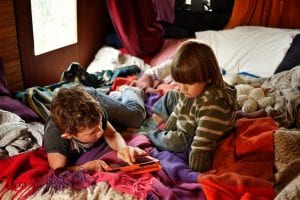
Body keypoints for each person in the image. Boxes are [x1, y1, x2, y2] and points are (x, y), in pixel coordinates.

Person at [145, 39, 238, 172]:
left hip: (198, 134)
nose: (183, 88)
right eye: (179, 81)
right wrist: (168, 129)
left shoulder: (213, 106)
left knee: (174, 141)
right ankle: (151, 125)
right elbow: (178, 110)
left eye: (189, 83)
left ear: (209, 78)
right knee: (171, 96)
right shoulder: (189, 90)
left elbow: (201, 145)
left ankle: (150, 134)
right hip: (193, 115)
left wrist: (196, 174)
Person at [43, 85, 147, 172]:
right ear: (69, 135)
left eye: (100, 124)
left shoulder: (96, 112)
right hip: (74, 105)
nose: (101, 131)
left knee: (136, 117)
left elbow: (111, 134)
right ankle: (115, 98)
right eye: (92, 132)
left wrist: (122, 148)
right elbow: (58, 170)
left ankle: (131, 90)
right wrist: (84, 167)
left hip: (88, 97)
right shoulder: (55, 139)